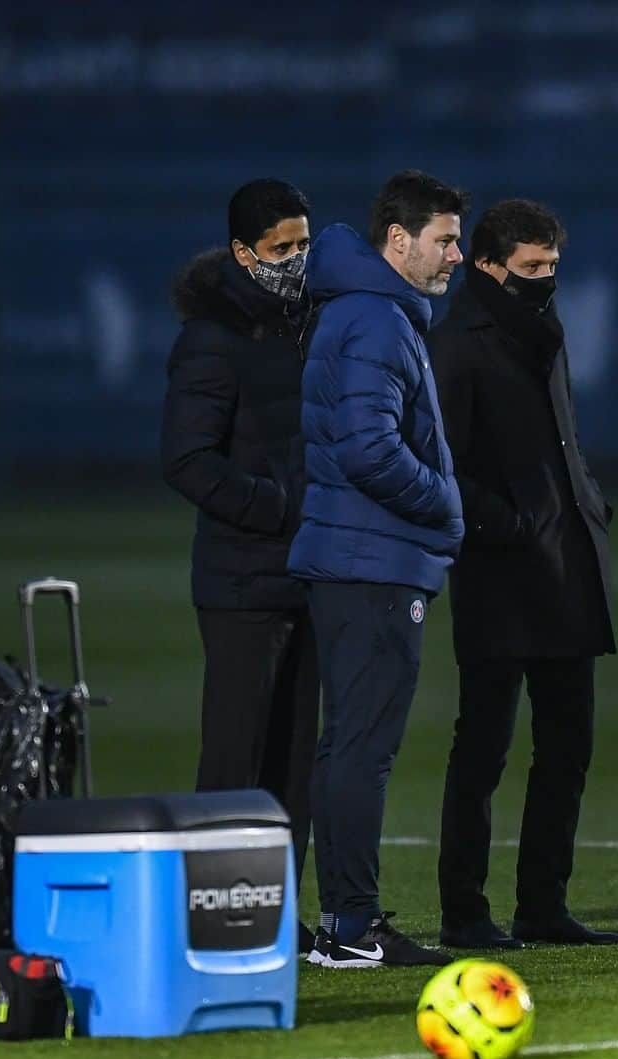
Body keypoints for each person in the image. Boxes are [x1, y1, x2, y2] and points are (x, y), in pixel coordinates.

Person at [428, 198, 618, 948]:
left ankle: (542, 907)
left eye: (552, 268)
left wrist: (587, 503)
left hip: (565, 562)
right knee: (483, 748)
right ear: (487, 266)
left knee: (568, 743)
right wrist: (504, 524)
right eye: (531, 268)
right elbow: (440, 461)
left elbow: (563, 439)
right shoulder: (459, 346)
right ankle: (464, 912)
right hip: (500, 573)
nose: (545, 281)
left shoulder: (542, 330)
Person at [288, 170, 468, 967]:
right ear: (398, 240)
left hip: (354, 559)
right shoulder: (377, 320)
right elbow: (368, 448)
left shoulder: (367, 312)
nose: (456, 255)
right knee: (363, 748)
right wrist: (445, 502)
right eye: (444, 240)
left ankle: (342, 926)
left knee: (346, 747)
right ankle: (353, 929)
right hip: (374, 562)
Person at [161, 179, 319, 952]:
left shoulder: (305, 323)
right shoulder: (211, 338)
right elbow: (186, 460)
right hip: (240, 580)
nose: (294, 261)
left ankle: (277, 917)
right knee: (235, 755)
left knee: (295, 757)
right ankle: (213, 917)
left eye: (302, 245)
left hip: (308, 572)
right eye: (280, 249)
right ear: (242, 253)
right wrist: (279, 508)